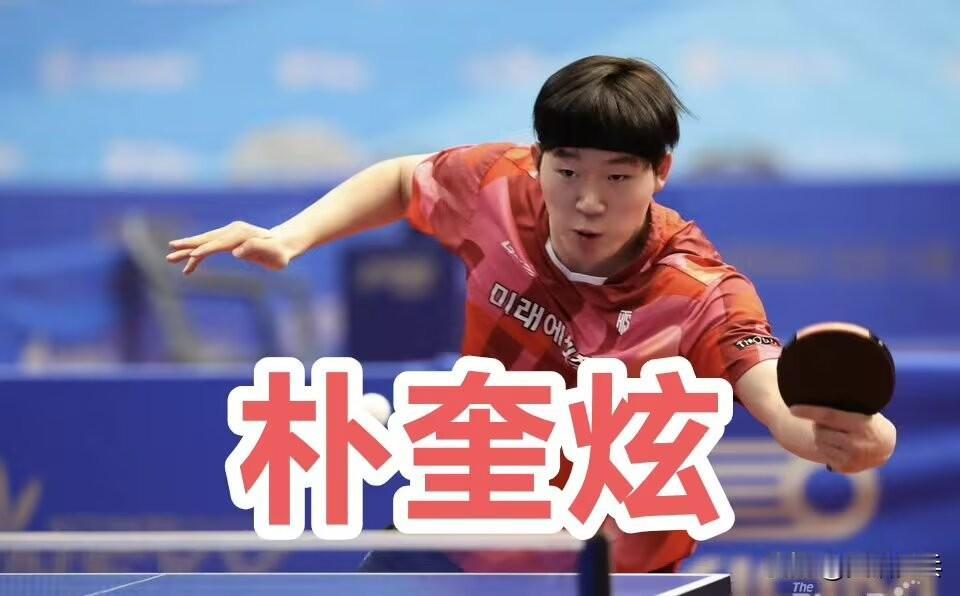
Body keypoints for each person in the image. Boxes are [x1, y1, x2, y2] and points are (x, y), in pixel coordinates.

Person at [167, 55, 896, 573]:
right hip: (475, 508)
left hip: (612, 557)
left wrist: (844, 435)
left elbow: (770, 393)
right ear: (539, 157)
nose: (588, 200)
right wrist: (289, 238)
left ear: (660, 172)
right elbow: (400, 178)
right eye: (567, 169)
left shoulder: (699, 290)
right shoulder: (497, 186)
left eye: (619, 177)